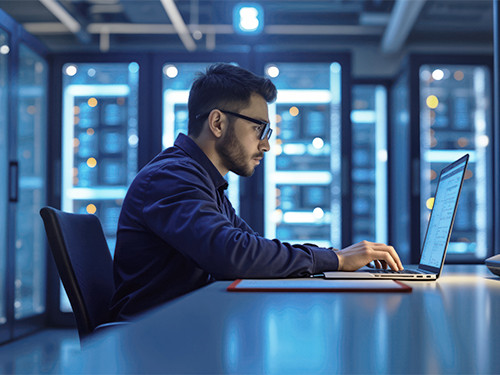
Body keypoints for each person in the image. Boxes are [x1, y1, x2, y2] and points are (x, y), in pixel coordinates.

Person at [110, 63, 403, 321]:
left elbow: (250, 247)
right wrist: (336, 261)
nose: (266, 145)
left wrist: (333, 256)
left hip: (183, 328)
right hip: (155, 341)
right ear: (217, 122)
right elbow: (232, 254)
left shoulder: (203, 182)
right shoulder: (172, 177)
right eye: (259, 130)